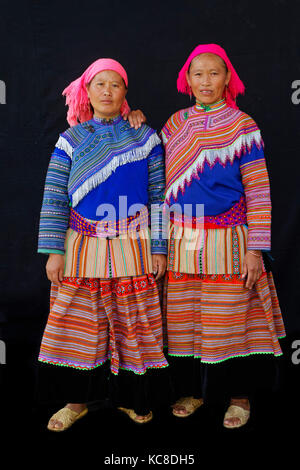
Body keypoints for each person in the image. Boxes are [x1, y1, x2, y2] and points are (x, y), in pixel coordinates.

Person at [37, 58, 168, 431]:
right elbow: (54, 197)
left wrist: (159, 246)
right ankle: (76, 402)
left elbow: (158, 194)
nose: (107, 91)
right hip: (81, 244)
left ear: (125, 93)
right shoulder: (71, 139)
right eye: (99, 84)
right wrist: (54, 251)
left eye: (115, 84)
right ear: (87, 92)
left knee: (134, 324)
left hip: (134, 243)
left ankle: (131, 399)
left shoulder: (145, 137)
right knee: (80, 323)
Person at [160, 43, 286, 428]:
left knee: (232, 321)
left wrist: (255, 249)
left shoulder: (243, 125)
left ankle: (239, 398)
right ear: (187, 79)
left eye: (214, 73)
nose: (205, 81)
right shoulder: (173, 125)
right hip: (183, 239)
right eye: (198, 74)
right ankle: (193, 392)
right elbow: (155, 183)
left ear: (227, 77)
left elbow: (259, 191)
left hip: (229, 239)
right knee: (184, 321)